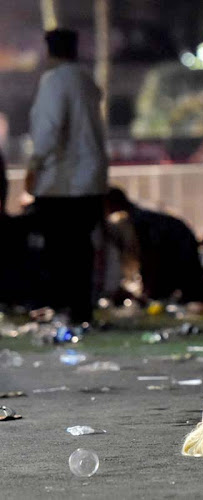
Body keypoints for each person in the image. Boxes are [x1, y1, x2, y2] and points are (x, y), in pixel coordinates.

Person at [26, 29, 108, 324]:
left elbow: (48, 130)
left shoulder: (54, 81)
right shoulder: (87, 81)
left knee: (58, 250)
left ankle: (61, 309)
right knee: (82, 250)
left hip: (61, 184)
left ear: (50, 52)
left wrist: (34, 166)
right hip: (90, 182)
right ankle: (81, 310)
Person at [104, 187, 203, 304]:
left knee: (183, 294)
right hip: (178, 248)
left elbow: (150, 257)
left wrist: (146, 292)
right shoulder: (137, 216)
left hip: (178, 251)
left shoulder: (138, 221)